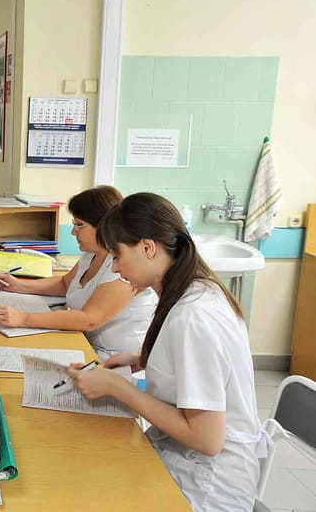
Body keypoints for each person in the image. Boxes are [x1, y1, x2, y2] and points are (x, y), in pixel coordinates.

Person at [67, 192, 265, 511]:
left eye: (117, 256)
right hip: (181, 460)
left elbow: (206, 439)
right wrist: (142, 359)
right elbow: (204, 367)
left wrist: (119, 388)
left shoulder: (193, 315)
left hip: (206, 487)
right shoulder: (195, 289)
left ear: (147, 248)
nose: (115, 268)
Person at [0, 185, 156, 358]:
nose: (73, 231)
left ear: (103, 225)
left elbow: (89, 320)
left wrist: (23, 318)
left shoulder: (122, 266)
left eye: (80, 225)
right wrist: (18, 285)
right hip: (86, 343)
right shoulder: (92, 254)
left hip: (118, 358)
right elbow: (64, 283)